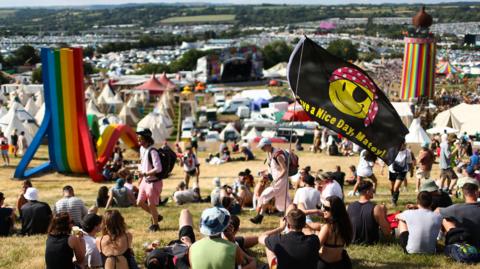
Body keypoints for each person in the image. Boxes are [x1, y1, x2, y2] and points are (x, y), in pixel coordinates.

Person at [189, 207, 255, 269]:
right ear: (225, 226)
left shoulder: (192, 248)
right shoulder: (233, 248)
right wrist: (232, 240)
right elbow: (243, 263)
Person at [251, 137, 291, 224]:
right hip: (277, 181)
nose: (261, 149)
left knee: (265, 195)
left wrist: (276, 179)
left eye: (263, 147)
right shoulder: (269, 153)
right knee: (285, 201)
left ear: (268, 145)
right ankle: (291, 217)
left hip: (280, 181)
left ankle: (260, 216)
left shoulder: (278, 155)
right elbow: (273, 168)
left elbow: (284, 170)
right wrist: (264, 171)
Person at [347, 181, 391, 245]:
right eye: (372, 190)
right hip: (371, 242)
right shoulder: (376, 208)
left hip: (352, 241)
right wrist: (384, 213)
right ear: (367, 192)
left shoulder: (349, 207)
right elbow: (387, 232)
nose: (373, 191)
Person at [136, 128, 163, 232]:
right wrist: (140, 176)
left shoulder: (153, 151)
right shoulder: (142, 149)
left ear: (146, 139)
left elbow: (158, 168)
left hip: (153, 182)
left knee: (151, 205)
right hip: (145, 181)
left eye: (140, 138)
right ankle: (157, 216)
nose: (138, 140)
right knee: (139, 202)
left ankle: (155, 225)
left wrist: (145, 173)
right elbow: (143, 164)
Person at [437, 183, 480, 248]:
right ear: (477, 193)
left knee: (445, 219)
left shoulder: (455, 208)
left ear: (463, 194)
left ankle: (439, 237)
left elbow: (437, 211)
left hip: (464, 246)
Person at [316, 196, 353, 269]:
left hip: (325, 265)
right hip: (342, 264)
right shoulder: (345, 225)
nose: (323, 210)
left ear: (335, 210)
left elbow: (315, 248)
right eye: (323, 206)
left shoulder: (327, 228)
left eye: (327, 208)